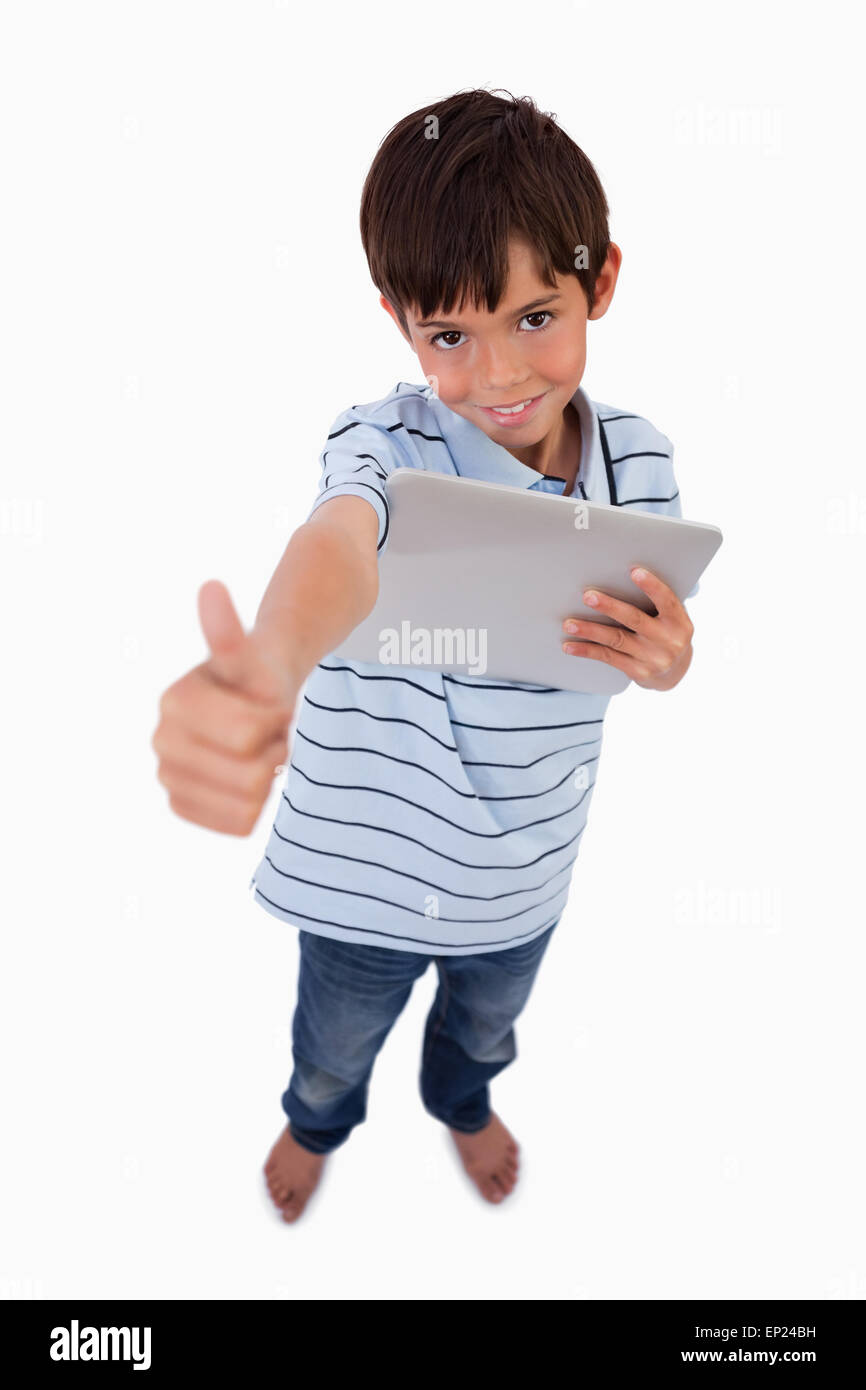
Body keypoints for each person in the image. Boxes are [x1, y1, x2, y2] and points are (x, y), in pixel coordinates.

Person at [151, 89, 698, 1223]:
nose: (497, 377)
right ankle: (314, 1124)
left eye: (534, 317)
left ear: (598, 283)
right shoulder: (381, 441)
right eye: (451, 335)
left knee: (483, 1033)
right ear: (402, 320)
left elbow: (645, 640)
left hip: (523, 880)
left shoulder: (639, 461)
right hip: (360, 881)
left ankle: (460, 1100)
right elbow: (340, 541)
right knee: (330, 1045)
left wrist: (667, 662)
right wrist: (272, 657)